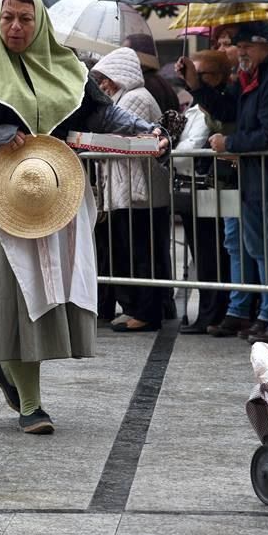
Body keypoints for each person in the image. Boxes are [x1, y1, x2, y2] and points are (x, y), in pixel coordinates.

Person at [0, 0, 168, 434]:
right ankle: (30, 403)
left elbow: (102, 115)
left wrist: (148, 133)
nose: (16, 27)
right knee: (10, 298)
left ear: (40, 24)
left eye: (26, 19)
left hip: (52, 197)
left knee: (43, 296)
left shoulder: (67, 67)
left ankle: (9, 368)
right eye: (9, 17)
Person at [178, 21, 268, 345]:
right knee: (258, 250)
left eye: (246, 47)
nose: (239, 53)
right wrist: (196, 85)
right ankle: (266, 315)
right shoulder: (253, 75)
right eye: (238, 47)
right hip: (259, 178)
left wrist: (229, 144)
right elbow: (231, 109)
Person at [90, 47, 171, 333]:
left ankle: (146, 312)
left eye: (104, 79)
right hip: (131, 190)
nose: (102, 85)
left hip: (138, 191)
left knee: (142, 253)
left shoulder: (135, 98)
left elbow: (132, 141)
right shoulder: (129, 97)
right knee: (134, 251)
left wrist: (90, 141)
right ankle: (137, 308)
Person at [172, 50, 231, 334]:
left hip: (211, 186)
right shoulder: (196, 105)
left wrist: (169, 151)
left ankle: (212, 312)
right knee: (202, 254)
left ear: (217, 77)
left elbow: (194, 145)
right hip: (194, 188)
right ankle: (207, 311)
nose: (193, 81)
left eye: (200, 75)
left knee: (212, 255)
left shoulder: (216, 104)